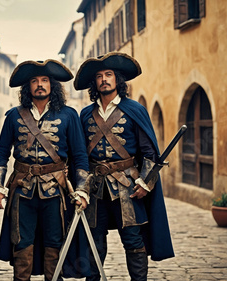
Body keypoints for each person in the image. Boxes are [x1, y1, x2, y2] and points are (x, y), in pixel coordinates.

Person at [0, 59, 91, 281]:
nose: (40, 85)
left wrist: (82, 190)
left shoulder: (69, 115)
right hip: (22, 191)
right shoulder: (14, 116)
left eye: (44, 80)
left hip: (56, 191)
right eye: (34, 81)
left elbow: (80, 156)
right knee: (21, 243)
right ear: (28, 86)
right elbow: (2, 154)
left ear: (52, 85)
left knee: (54, 242)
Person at [73, 52, 174, 281]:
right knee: (94, 240)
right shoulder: (86, 114)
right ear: (94, 82)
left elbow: (149, 153)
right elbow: (80, 154)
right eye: (99, 76)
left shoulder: (134, 109)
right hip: (96, 188)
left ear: (117, 79)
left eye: (108, 75)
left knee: (133, 240)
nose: (104, 80)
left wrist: (145, 182)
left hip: (127, 186)